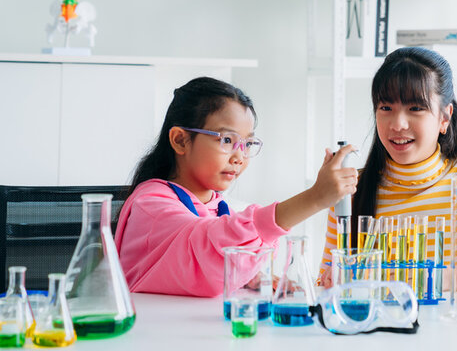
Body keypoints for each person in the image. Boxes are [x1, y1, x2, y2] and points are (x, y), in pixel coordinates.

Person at [115, 77, 358, 297]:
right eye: (227, 140)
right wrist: (315, 198)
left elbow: (191, 268)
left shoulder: (217, 205)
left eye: (248, 143)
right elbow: (205, 246)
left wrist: (248, 278)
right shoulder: (150, 204)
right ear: (180, 140)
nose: (239, 157)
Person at [317, 47, 457, 290]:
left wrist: (438, 278)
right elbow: (325, 280)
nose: (397, 124)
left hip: (452, 326)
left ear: (444, 117)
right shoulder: (350, 187)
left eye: (415, 108)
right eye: (386, 108)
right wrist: (329, 279)